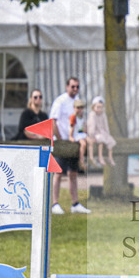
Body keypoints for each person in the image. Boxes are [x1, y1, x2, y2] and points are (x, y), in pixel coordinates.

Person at [49, 77, 90, 214]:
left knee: (73, 173)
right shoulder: (60, 101)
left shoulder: (77, 102)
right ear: (67, 87)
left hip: (73, 141)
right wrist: (59, 139)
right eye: (73, 86)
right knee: (58, 173)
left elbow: (79, 123)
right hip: (62, 142)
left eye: (77, 87)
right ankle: (55, 203)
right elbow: (53, 121)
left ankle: (75, 203)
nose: (75, 89)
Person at [86, 96, 117, 166]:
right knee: (101, 141)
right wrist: (91, 135)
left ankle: (110, 157)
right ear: (93, 107)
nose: (99, 109)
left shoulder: (103, 115)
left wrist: (107, 134)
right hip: (95, 133)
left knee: (111, 141)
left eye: (101, 107)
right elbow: (91, 126)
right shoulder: (92, 115)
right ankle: (100, 157)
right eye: (98, 107)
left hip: (102, 132)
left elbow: (106, 125)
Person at [69, 99, 89, 170]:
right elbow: (72, 127)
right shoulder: (73, 117)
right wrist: (71, 136)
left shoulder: (82, 116)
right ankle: (81, 160)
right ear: (74, 108)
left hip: (82, 133)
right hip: (76, 134)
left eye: (81, 108)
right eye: (78, 108)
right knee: (83, 144)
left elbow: (83, 126)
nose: (79, 109)